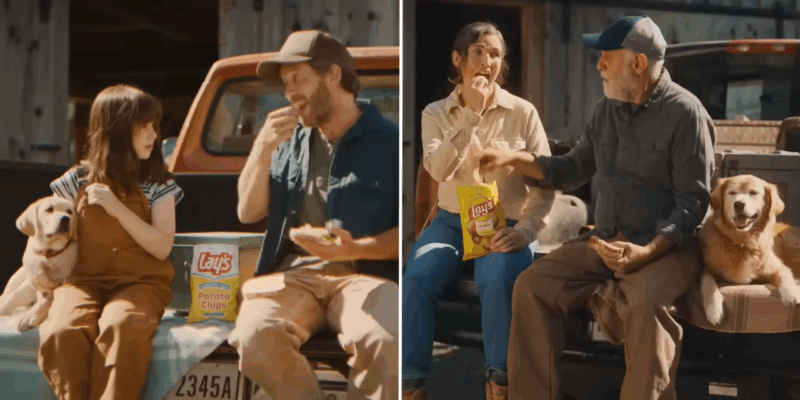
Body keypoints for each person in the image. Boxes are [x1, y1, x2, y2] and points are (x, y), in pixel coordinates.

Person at [480, 16, 717, 399]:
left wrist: (646, 252)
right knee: (532, 286)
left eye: (608, 56)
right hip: (605, 240)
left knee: (646, 304)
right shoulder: (606, 109)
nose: (599, 65)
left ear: (638, 63)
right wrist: (513, 158)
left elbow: (693, 205)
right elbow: (571, 169)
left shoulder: (686, 114)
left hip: (665, 248)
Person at [231, 30, 400, 400]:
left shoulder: (392, 143)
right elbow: (247, 211)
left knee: (387, 340)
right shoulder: (287, 141)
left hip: (364, 276)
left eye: (298, 79)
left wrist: (354, 248)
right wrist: (262, 148)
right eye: (285, 83)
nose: (289, 92)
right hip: (293, 277)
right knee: (254, 336)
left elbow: (410, 235)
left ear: (333, 75)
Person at [402, 22, 556, 400]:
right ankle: (410, 385)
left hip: (508, 222)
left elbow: (547, 180)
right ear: (458, 59)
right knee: (417, 276)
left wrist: (526, 231)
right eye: (478, 52)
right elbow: (438, 170)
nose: (487, 61)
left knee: (497, 278)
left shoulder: (523, 112)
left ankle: (500, 382)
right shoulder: (436, 113)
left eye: (495, 54)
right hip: (451, 221)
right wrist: (470, 115)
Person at [39, 84, 184, 400]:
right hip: (82, 283)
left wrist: (115, 207)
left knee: (123, 326)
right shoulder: (74, 181)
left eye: (155, 126)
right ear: (117, 130)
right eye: (144, 126)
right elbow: (46, 236)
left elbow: (162, 246)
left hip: (141, 285)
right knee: (63, 330)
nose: (154, 135)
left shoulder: (158, 183)